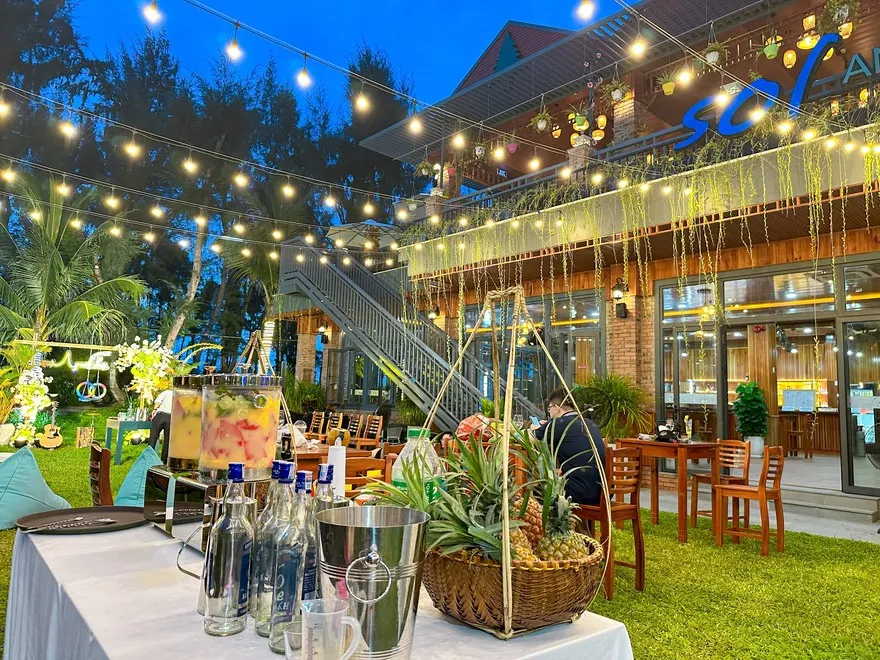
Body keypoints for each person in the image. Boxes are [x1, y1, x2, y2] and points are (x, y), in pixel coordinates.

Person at [533, 387, 606, 506]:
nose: (549, 413)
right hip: (603, 492)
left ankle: (547, 519)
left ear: (556, 407)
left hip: (580, 494)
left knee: (536, 490)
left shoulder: (557, 424)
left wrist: (535, 428)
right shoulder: (589, 423)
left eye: (550, 409)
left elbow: (530, 438)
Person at [149, 387, 173, 462]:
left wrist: (154, 410)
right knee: (167, 440)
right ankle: (164, 460)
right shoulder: (178, 395)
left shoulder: (166, 392)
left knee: (153, 437)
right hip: (171, 417)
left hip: (161, 415)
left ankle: (149, 457)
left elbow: (158, 401)